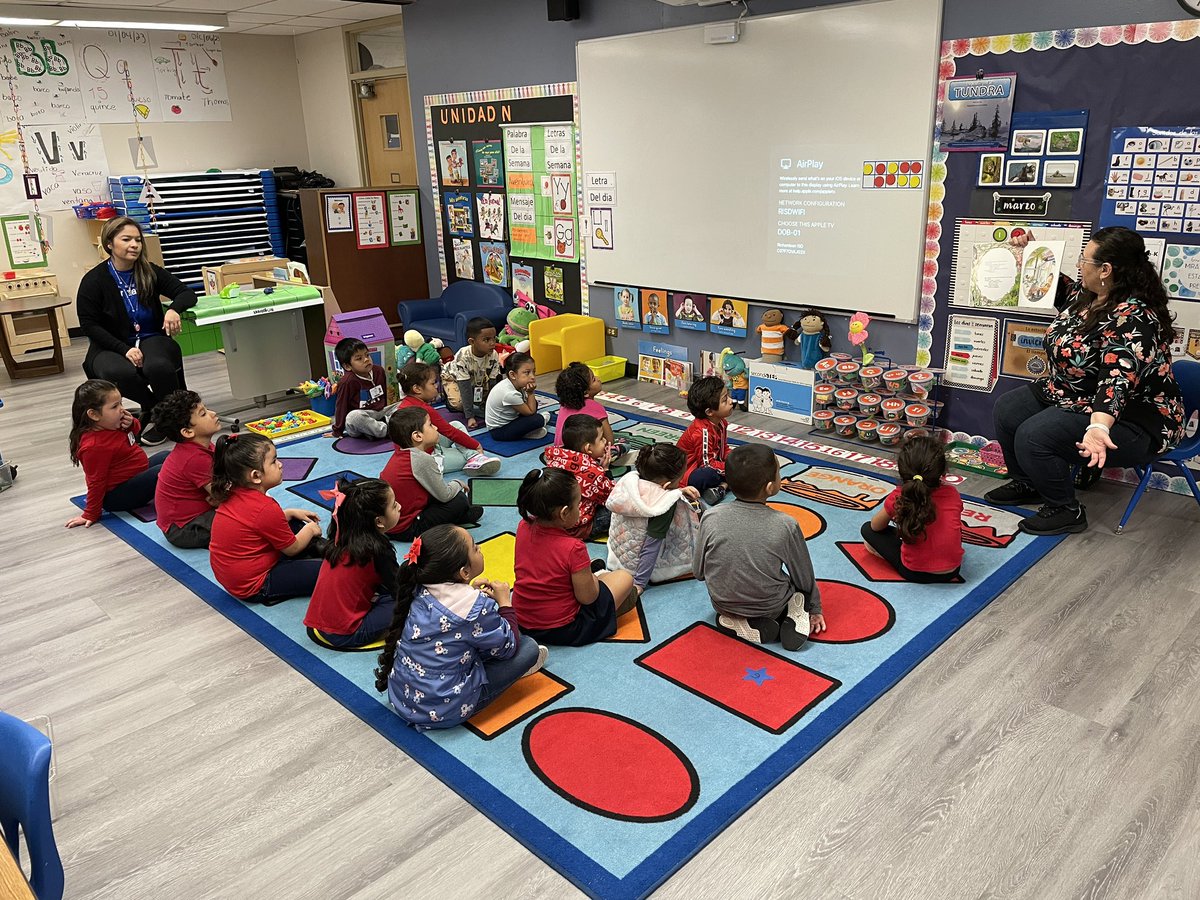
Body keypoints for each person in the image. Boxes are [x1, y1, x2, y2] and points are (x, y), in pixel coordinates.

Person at [987, 226, 1185, 535]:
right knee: (1009, 409)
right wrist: (1033, 251)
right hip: (1075, 394)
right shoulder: (1088, 294)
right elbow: (1050, 283)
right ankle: (1030, 483)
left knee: (1034, 435)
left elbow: (1116, 381)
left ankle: (1065, 509)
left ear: (1105, 269)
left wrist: (1097, 427)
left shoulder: (1135, 318)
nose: (1079, 265)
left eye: (1084, 260)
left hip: (1132, 417)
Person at [375, 524, 546, 730]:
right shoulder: (476, 606)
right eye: (475, 547)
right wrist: (505, 604)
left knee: (471, 639)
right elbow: (508, 647)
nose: (480, 548)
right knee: (528, 647)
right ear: (464, 572)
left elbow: (451, 617)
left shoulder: (417, 586)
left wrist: (469, 592)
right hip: (445, 710)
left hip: (403, 698)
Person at [76, 216, 197, 445]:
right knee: (118, 371)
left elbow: (186, 293)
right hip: (112, 343)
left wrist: (173, 310)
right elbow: (89, 325)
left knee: (158, 366)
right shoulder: (94, 280)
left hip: (151, 336)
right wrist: (124, 349)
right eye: (127, 239)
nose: (134, 245)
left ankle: (164, 419)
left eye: (138, 240)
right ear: (109, 243)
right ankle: (158, 410)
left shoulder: (148, 271)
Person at [694, 443, 825, 649]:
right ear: (770, 487)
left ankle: (738, 621)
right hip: (770, 606)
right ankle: (793, 611)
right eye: (779, 472)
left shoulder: (710, 516)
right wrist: (814, 608)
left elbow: (699, 572)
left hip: (722, 604)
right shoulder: (785, 525)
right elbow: (803, 576)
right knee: (796, 591)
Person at [512, 467, 637, 646]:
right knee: (624, 577)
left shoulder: (523, 526)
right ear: (564, 513)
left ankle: (592, 577)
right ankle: (606, 598)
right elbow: (588, 598)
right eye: (578, 504)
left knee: (582, 569)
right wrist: (593, 579)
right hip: (564, 629)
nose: (580, 509)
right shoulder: (573, 548)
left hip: (523, 620)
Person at [209, 432, 324, 603]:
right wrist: (311, 529)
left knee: (293, 523)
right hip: (257, 585)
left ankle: (324, 551)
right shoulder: (265, 507)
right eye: (274, 461)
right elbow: (292, 548)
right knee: (329, 572)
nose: (280, 465)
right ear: (256, 476)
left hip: (236, 577)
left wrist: (289, 513)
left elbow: (257, 525)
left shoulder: (235, 493)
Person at [304, 478, 402, 649]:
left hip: (321, 622)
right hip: (347, 632)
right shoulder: (378, 549)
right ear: (379, 521)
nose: (399, 506)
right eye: (394, 505)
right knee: (413, 600)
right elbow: (400, 589)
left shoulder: (340, 538)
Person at [65, 379, 169, 528]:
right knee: (161, 471)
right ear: (94, 415)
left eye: (121, 403)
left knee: (168, 456)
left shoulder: (112, 424)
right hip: (117, 496)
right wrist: (90, 513)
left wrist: (131, 424)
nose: (121, 409)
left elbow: (133, 434)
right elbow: (96, 481)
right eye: (114, 406)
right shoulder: (94, 446)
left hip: (136, 474)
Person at [861, 435, 964, 583]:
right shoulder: (952, 494)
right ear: (943, 473)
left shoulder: (899, 495)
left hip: (914, 571)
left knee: (867, 530)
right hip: (952, 570)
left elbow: (875, 526)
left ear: (902, 472)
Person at [605, 443, 702, 595]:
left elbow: (651, 493)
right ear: (667, 485)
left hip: (618, 555)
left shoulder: (628, 483)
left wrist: (679, 491)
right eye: (680, 479)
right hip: (640, 567)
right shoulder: (663, 507)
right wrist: (639, 583)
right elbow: (651, 546)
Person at [381, 406, 483, 540]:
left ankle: (462, 514)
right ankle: (462, 516)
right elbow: (444, 495)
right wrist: (458, 483)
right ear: (417, 436)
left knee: (443, 496)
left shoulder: (403, 453)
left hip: (393, 522)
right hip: (407, 527)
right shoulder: (422, 459)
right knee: (459, 500)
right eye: (430, 425)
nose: (435, 428)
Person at [397, 362, 500, 475]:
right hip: (425, 459)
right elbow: (449, 432)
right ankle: (474, 457)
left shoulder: (405, 404)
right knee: (463, 455)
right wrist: (476, 445)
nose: (436, 386)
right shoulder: (423, 409)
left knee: (456, 424)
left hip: (420, 448)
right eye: (433, 383)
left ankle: (473, 456)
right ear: (417, 389)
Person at [151, 389, 221, 548]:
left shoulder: (202, 446)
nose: (213, 413)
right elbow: (224, 495)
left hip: (194, 517)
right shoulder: (194, 458)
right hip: (184, 529)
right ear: (188, 432)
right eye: (203, 414)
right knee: (245, 522)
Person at [544, 414, 614, 540]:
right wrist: (606, 470)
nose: (605, 441)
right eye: (601, 439)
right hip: (577, 528)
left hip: (555, 520)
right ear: (588, 448)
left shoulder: (557, 458)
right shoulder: (592, 472)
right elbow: (614, 495)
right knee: (621, 510)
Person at [677, 375, 732, 505]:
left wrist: (734, 459)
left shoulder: (721, 423)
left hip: (710, 463)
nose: (731, 401)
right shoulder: (702, 432)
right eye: (725, 400)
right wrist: (731, 468)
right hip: (688, 472)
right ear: (709, 412)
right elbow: (706, 464)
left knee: (742, 458)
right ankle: (725, 485)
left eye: (728, 396)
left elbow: (723, 449)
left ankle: (722, 487)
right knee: (708, 475)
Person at [442, 317, 502, 429]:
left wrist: (492, 406)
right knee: (459, 403)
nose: (492, 343)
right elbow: (464, 387)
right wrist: (470, 416)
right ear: (472, 342)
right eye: (486, 340)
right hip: (454, 378)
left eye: (494, 338)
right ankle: (449, 399)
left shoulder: (493, 355)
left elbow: (493, 382)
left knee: (485, 398)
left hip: (477, 378)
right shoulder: (463, 356)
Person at [331, 338, 397, 439]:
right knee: (353, 417)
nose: (366, 359)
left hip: (380, 414)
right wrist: (337, 431)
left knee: (406, 403)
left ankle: (375, 431)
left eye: (367, 355)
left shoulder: (379, 371)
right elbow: (341, 405)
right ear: (348, 366)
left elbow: (384, 397)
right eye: (359, 358)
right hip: (361, 419)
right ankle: (390, 430)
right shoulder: (347, 382)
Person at [553, 360, 622, 453]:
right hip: (586, 457)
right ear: (585, 392)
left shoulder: (563, 406)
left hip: (561, 454)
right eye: (593, 379)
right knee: (622, 445)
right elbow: (610, 441)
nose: (598, 378)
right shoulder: (596, 407)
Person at [486, 351, 548, 441]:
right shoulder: (509, 393)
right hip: (499, 431)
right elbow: (531, 412)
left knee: (534, 404)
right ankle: (526, 433)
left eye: (533, 372)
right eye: (527, 373)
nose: (533, 377)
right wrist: (531, 393)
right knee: (537, 419)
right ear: (513, 375)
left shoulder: (517, 384)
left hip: (512, 419)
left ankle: (526, 431)